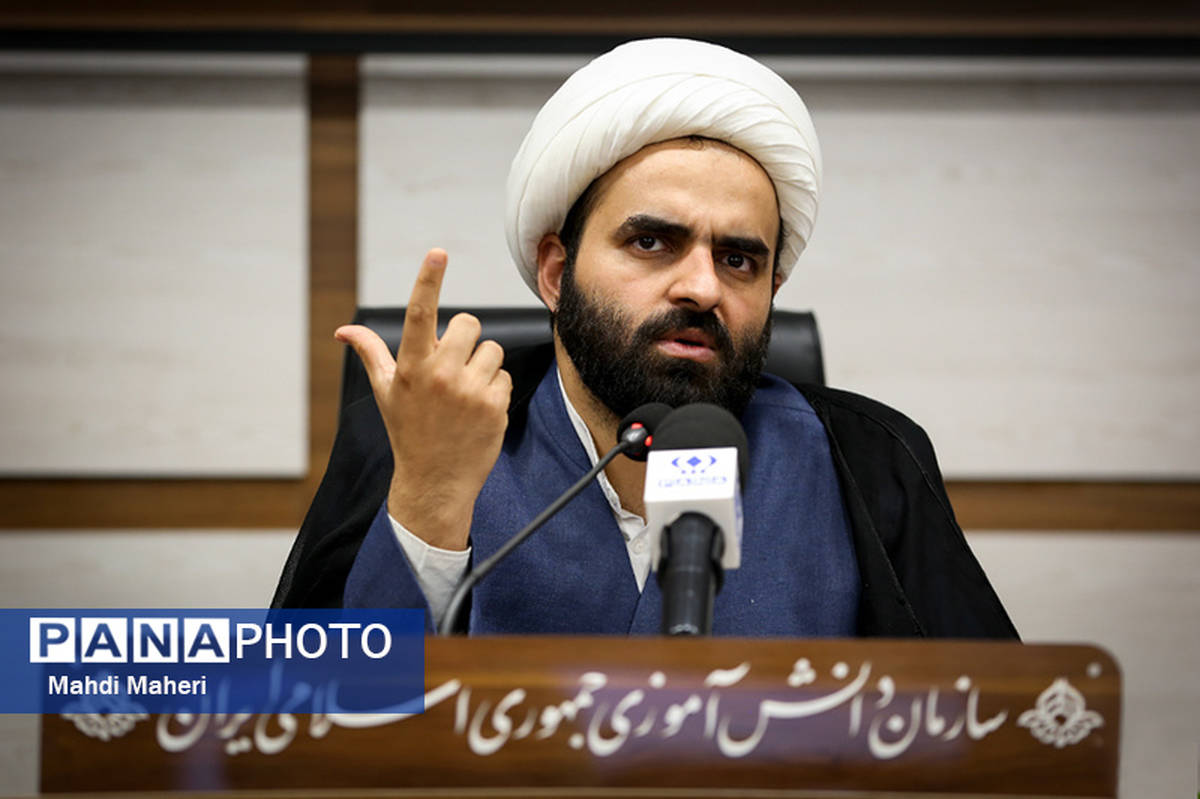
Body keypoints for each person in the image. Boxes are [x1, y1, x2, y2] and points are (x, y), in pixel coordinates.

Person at [272, 38, 1017, 640]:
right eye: (653, 242)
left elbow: (999, 726)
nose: (702, 287)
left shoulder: (869, 458)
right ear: (556, 273)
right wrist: (429, 499)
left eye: (739, 259)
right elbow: (294, 717)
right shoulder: (423, 435)